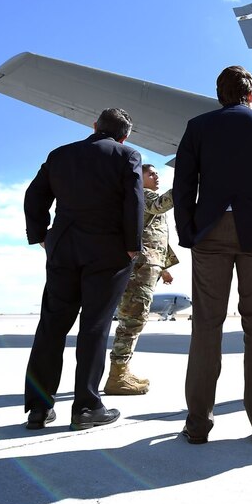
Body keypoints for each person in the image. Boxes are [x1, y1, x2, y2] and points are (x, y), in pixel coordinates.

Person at [173, 65, 252, 444]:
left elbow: (182, 184)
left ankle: (198, 424)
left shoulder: (198, 126)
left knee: (207, 324)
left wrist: (187, 230)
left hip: (209, 231)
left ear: (220, 96)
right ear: (251, 95)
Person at [22, 108, 144, 431]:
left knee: (51, 325)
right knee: (94, 327)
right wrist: (133, 244)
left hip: (63, 249)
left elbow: (33, 196)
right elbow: (134, 201)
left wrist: (41, 236)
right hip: (107, 253)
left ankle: (38, 408)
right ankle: (86, 407)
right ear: (124, 135)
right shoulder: (127, 156)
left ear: (94, 127)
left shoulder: (60, 155)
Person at [103, 163, 178, 396]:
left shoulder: (145, 198)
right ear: (140, 177)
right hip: (140, 268)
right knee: (132, 319)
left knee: (136, 318)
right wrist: (187, 182)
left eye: (157, 173)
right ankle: (117, 375)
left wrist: (164, 267)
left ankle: (122, 370)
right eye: (151, 173)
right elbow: (160, 205)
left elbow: (155, 236)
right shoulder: (142, 196)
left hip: (149, 266)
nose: (156, 176)